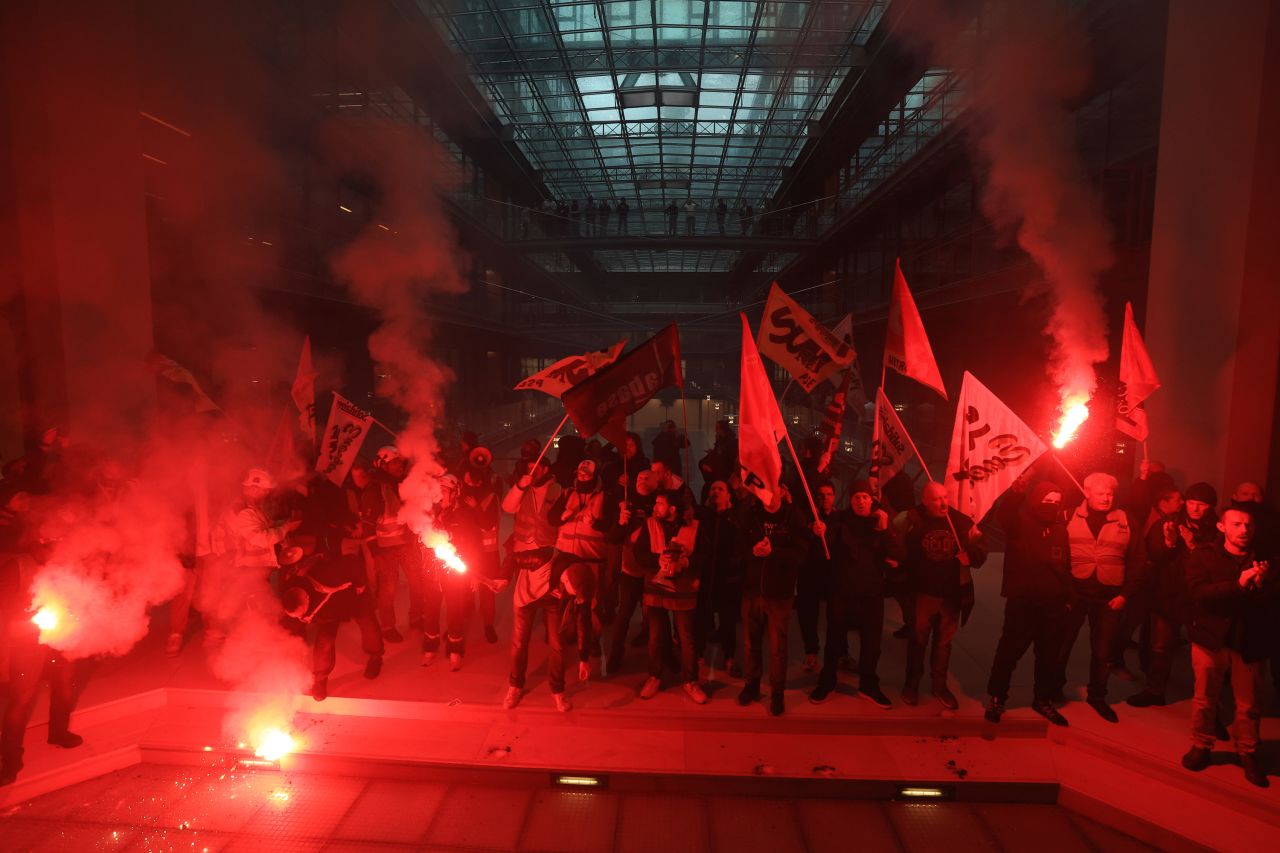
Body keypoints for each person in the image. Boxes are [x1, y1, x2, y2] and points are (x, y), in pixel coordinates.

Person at [1, 481, 87, 787]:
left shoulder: (64, 565)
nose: (57, 548)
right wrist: (30, 618)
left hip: (61, 636)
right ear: (39, 540)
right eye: (51, 542)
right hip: (28, 643)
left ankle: (58, 732)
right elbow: (4, 612)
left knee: (65, 684)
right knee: (21, 700)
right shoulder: (18, 567)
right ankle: (10, 759)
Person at [1181, 507, 1274, 788]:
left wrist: (1263, 583)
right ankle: (1201, 745)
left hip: (1250, 642)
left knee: (1249, 704)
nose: (1244, 530)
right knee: (1204, 697)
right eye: (1236, 524)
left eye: (1248, 525)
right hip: (1211, 639)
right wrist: (1239, 584)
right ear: (1222, 528)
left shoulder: (1266, 560)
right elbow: (1199, 595)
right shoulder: (1204, 556)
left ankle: (1247, 752)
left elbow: (1272, 603)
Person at [984, 479, 1073, 726]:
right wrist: (1015, 492)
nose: (1051, 506)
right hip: (1022, 603)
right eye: (1047, 500)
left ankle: (1042, 700)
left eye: (1056, 502)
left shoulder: (1060, 528)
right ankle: (997, 697)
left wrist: (1068, 598)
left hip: (1053, 606)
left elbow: (1064, 565)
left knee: (1048, 657)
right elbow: (1005, 514)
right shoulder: (1019, 522)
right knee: (1008, 654)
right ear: (1036, 500)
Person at [1057, 472, 1143, 723]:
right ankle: (1053, 688)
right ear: (1086, 492)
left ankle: (1098, 696)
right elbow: (1059, 556)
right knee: (1062, 645)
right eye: (1100, 493)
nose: (1106, 498)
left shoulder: (1126, 520)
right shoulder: (1067, 515)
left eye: (1110, 494)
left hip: (1110, 598)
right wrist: (1065, 592)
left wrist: (1126, 595)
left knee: (1103, 651)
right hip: (1075, 595)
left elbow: (1138, 560)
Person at [1127, 482, 1220, 708]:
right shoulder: (1168, 523)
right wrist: (1169, 543)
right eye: (1191, 503)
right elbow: (1153, 555)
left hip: (1199, 601)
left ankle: (1209, 706)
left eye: (1201, 505)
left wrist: (1192, 545)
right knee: (1160, 647)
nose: (1195, 509)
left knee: (1207, 656)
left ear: (1210, 507)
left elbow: (1217, 564)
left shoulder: (1217, 531)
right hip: (1168, 596)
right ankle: (1155, 691)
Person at [896, 481, 987, 710]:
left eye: (945, 497)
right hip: (923, 594)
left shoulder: (960, 522)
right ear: (925, 501)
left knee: (943, 644)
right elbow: (893, 540)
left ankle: (939, 686)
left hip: (951, 595)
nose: (943, 502)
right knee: (918, 642)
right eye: (936, 499)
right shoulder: (912, 519)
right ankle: (912, 684)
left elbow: (981, 547)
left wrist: (972, 556)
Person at [810, 480, 901, 708]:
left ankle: (868, 685)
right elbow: (825, 548)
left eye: (865, 497)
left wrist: (886, 530)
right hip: (842, 591)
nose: (861, 501)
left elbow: (899, 555)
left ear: (872, 500)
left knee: (872, 644)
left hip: (871, 594)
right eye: (856, 497)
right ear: (850, 500)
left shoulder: (880, 522)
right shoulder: (840, 521)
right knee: (834, 640)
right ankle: (828, 681)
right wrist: (818, 533)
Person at [502, 457, 569, 711]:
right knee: (519, 640)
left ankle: (558, 689)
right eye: (529, 466)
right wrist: (520, 486)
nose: (532, 469)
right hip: (524, 571)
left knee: (556, 642)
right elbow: (507, 508)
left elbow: (563, 526)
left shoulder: (559, 490)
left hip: (549, 569)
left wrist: (560, 571)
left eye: (537, 466)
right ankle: (515, 686)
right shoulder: (522, 489)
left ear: (547, 468)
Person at [738, 488, 812, 716]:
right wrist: (752, 550)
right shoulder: (751, 515)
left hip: (779, 594)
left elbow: (801, 554)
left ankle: (777, 693)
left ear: (782, 492)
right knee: (751, 643)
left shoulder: (795, 517)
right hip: (752, 591)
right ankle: (751, 684)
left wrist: (774, 552)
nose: (769, 497)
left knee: (777, 647)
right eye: (765, 492)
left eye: (774, 491)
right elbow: (738, 547)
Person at [282, 537, 384, 702]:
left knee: (367, 623)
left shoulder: (328, 573)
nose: (303, 618)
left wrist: (360, 583)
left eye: (303, 614)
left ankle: (375, 656)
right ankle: (320, 679)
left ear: (307, 599)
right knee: (325, 640)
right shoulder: (290, 587)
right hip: (328, 612)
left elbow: (352, 562)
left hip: (352, 594)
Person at [631, 491, 706, 703]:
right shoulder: (650, 524)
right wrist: (658, 559)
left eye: (660, 503)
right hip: (655, 589)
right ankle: (654, 676)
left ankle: (690, 681)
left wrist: (686, 563)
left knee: (686, 638)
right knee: (655, 637)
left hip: (683, 591)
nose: (655, 507)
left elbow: (703, 555)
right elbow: (639, 553)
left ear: (673, 509)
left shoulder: (694, 527)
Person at [546, 458, 615, 679]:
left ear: (595, 475)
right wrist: (561, 516)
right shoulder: (567, 493)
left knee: (591, 604)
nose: (583, 476)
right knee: (564, 598)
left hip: (590, 559)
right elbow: (552, 518)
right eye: (581, 472)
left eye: (588, 473)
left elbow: (612, 526)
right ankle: (567, 633)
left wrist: (597, 524)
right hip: (566, 557)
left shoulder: (605, 497)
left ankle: (592, 640)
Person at [421, 474, 479, 670]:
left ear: (455, 493)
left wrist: (474, 572)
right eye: (439, 491)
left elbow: (473, 545)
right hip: (432, 571)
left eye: (444, 491)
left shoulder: (463, 515)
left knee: (455, 610)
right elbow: (420, 538)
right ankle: (430, 647)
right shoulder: (431, 513)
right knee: (431, 610)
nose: (440, 495)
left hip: (453, 572)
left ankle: (455, 649)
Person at [606, 468, 658, 674]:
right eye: (639, 478)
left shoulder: (661, 503)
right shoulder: (627, 503)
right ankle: (615, 656)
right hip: (630, 569)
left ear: (656, 482)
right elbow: (612, 538)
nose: (642, 481)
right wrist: (620, 522)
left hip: (653, 571)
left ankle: (657, 661)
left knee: (654, 618)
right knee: (624, 616)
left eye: (647, 478)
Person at [369, 451, 423, 642]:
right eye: (394, 463)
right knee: (388, 590)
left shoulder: (403, 483)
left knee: (417, 582)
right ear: (384, 465)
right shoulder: (376, 488)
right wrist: (374, 550)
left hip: (406, 544)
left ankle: (416, 618)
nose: (399, 466)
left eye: (400, 462)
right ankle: (387, 626)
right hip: (385, 548)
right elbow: (368, 521)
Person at [693, 480, 744, 678]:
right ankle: (698, 655)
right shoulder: (704, 517)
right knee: (702, 617)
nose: (715, 491)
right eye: (713, 489)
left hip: (727, 577)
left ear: (728, 495)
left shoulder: (735, 518)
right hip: (706, 575)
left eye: (720, 489)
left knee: (728, 620)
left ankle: (729, 657)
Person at [460, 446, 503, 644]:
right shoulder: (461, 497)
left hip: (487, 554)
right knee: (461, 589)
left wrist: (475, 508)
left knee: (487, 591)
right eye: (467, 479)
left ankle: (488, 625)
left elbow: (487, 524)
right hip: (467, 553)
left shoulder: (489, 498)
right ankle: (459, 621)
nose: (469, 482)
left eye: (472, 479)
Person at [796, 482, 837, 672]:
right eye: (821, 495)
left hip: (831, 574)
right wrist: (810, 531)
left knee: (836, 616)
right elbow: (798, 540)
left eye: (829, 494)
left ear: (834, 496)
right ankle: (811, 653)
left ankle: (840, 651)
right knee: (808, 615)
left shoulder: (839, 519)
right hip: (809, 574)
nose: (825, 498)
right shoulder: (807, 518)